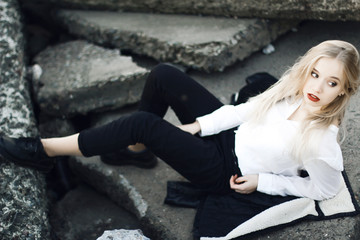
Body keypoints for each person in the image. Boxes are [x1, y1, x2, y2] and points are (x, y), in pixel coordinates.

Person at [0, 40, 359, 201]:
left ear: (343, 91)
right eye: (315, 74)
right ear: (307, 70)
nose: (318, 87)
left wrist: (264, 182)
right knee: (164, 74)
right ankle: (137, 151)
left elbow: (326, 190)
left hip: (222, 171)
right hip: (226, 136)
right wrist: (198, 126)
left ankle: (43, 152)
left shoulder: (321, 141)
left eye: (332, 83)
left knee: (143, 122)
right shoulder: (292, 90)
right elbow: (244, 111)